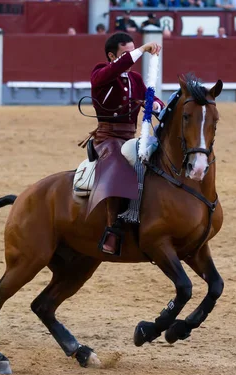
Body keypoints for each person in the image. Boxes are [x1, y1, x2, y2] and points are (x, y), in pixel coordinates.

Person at [87, 33, 165, 255]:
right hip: (107, 137)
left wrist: (155, 107)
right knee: (118, 168)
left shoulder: (135, 80)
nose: (131, 59)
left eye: (132, 51)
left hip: (131, 136)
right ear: (112, 56)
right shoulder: (101, 73)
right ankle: (113, 229)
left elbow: (155, 100)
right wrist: (141, 49)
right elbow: (116, 68)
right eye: (125, 53)